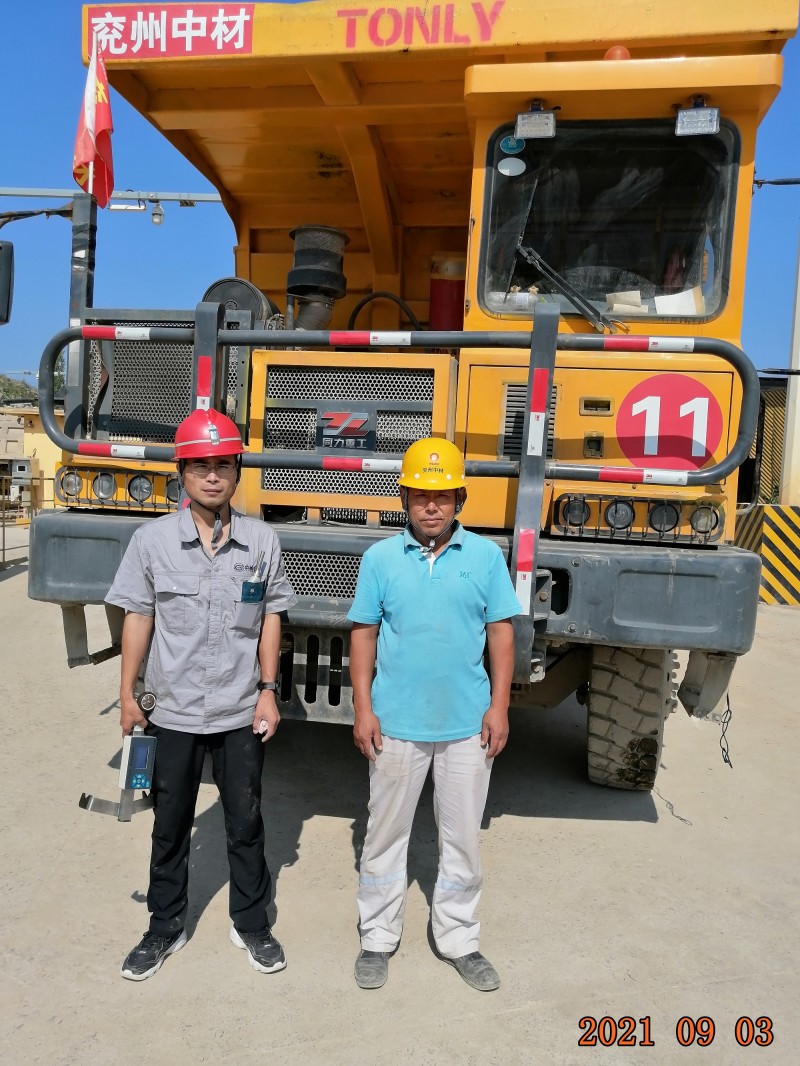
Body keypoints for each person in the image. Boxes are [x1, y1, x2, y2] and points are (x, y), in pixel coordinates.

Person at [106, 407, 296, 981]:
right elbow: (138, 617)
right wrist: (128, 693)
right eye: (199, 467)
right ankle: (164, 927)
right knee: (170, 823)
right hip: (175, 709)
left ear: (237, 470)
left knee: (246, 821)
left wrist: (268, 691)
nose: (212, 477)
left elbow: (270, 618)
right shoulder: (152, 542)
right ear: (181, 473)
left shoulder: (261, 541)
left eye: (223, 466)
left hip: (239, 708)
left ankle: (252, 924)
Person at [348, 438, 521, 991]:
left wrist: (499, 706)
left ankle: (459, 939)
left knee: (462, 838)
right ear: (403, 497)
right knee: (384, 835)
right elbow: (363, 635)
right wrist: (363, 709)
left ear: (459, 499)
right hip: (396, 724)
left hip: (467, 725)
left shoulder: (485, 558)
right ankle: (377, 937)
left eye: (442, 496)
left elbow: (501, 633)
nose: (431, 506)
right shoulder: (380, 559)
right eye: (421, 495)